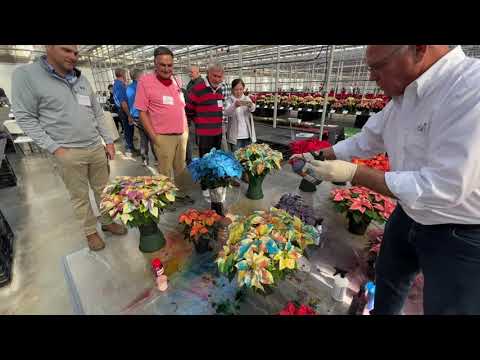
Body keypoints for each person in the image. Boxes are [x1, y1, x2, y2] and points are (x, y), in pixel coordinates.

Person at [293, 45, 480, 315]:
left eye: (378, 66)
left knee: (447, 308)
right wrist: (322, 154)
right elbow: (369, 139)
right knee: (389, 276)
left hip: (459, 232)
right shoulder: (406, 94)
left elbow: (445, 186)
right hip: (409, 213)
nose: (371, 77)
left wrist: (354, 173)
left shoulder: (469, 88)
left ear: (418, 49)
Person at [11, 45, 127, 251]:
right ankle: (90, 232)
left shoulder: (81, 79)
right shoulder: (27, 75)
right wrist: (54, 148)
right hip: (67, 151)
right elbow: (25, 117)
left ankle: (108, 222)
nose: (73, 56)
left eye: (75, 53)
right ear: (49, 48)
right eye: (66, 50)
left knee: (104, 190)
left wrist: (108, 141)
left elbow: (98, 113)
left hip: (95, 147)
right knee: (79, 196)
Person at [134, 46, 194, 205]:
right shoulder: (145, 82)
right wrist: (154, 137)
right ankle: (166, 199)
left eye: (170, 65)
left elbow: (180, 106)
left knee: (181, 168)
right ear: (155, 63)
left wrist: (186, 131)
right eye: (162, 65)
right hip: (162, 136)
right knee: (165, 171)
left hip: (181, 134)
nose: (167, 69)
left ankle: (181, 194)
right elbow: (142, 112)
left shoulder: (176, 80)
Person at [186, 62, 226, 201]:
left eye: (220, 76)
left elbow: (219, 109)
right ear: (208, 74)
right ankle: (204, 187)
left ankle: (212, 184)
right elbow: (189, 109)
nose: (217, 79)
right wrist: (194, 123)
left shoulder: (220, 89)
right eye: (215, 76)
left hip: (217, 132)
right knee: (204, 161)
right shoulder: (198, 89)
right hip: (204, 134)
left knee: (214, 161)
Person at [126, 68, 157, 166]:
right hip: (146, 116)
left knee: (143, 138)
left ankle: (145, 159)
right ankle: (157, 159)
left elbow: (129, 102)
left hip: (135, 117)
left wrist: (130, 116)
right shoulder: (143, 86)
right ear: (139, 76)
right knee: (152, 137)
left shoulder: (129, 88)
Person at [224, 78, 256, 152]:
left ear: (243, 89)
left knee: (248, 159)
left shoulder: (246, 98)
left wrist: (251, 105)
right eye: (236, 89)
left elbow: (253, 109)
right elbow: (227, 112)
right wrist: (235, 105)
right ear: (232, 89)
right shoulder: (229, 100)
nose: (239, 92)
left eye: (241, 89)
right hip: (236, 137)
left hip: (247, 135)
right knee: (237, 158)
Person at [113, 68, 135, 157]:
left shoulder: (118, 84)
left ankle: (130, 148)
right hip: (124, 110)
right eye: (125, 74)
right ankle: (129, 149)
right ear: (122, 74)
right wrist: (129, 115)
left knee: (128, 129)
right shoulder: (119, 85)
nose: (127, 76)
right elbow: (123, 102)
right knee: (128, 129)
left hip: (122, 110)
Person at [185, 65, 203, 165]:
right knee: (190, 138)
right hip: (190, 115)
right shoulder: (191, 83)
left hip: (198, 116)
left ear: (197, 72)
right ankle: (190, 159)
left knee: (198, 139)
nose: (189, 74)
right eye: (189, 72)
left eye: (191, 72)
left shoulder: (201, 83)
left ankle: (199, 159)